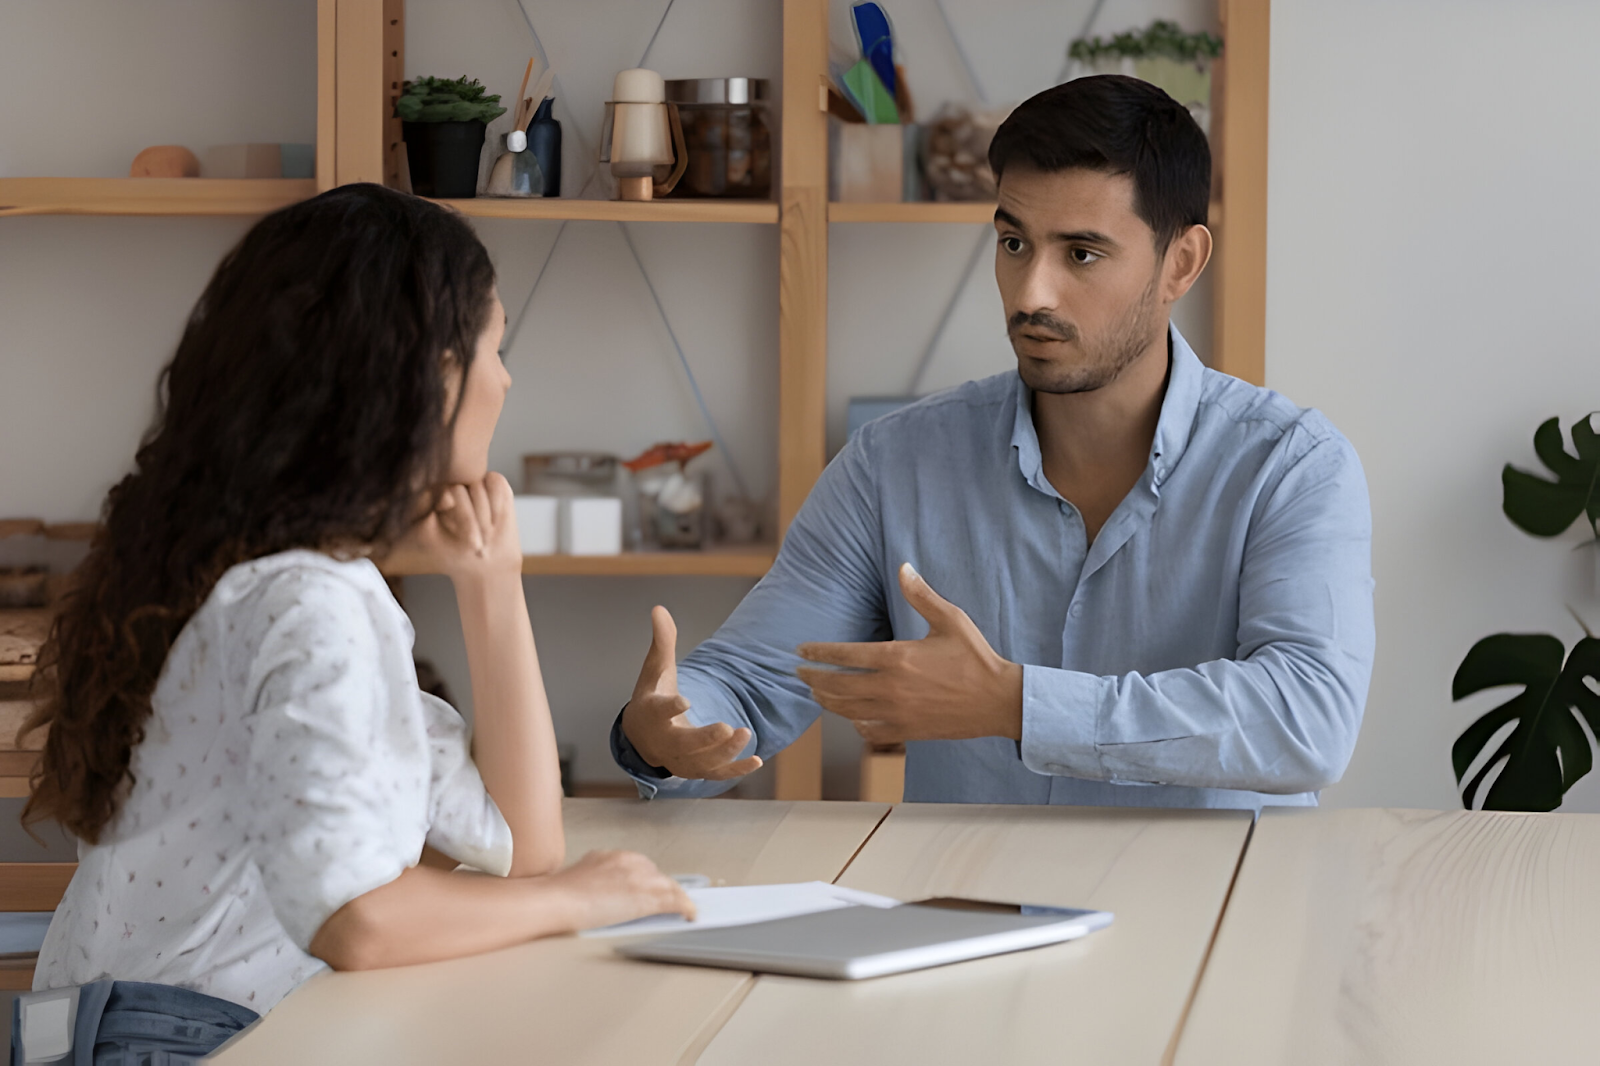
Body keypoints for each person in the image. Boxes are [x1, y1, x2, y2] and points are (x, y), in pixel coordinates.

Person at [19, 184, 692, 1056]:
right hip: (194, 1043)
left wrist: (492, 583)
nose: (506, 377)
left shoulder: (221, 566)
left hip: (112, 1035)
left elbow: (520, 845)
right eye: (493, 347)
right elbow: (359, 920)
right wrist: (581, 901)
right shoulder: (307, 600)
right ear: (427, 375)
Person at [612, 75, 1375, 808]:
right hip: (969, 924)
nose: (1032, 293)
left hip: (1217, 924)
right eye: (1014, 244)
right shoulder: (893, 466)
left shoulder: (1292, 467)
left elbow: (1307, 720)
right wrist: (662, 731)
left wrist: (1016, 704)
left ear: (1181, 262)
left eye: (1081, 254)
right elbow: (749, 685)